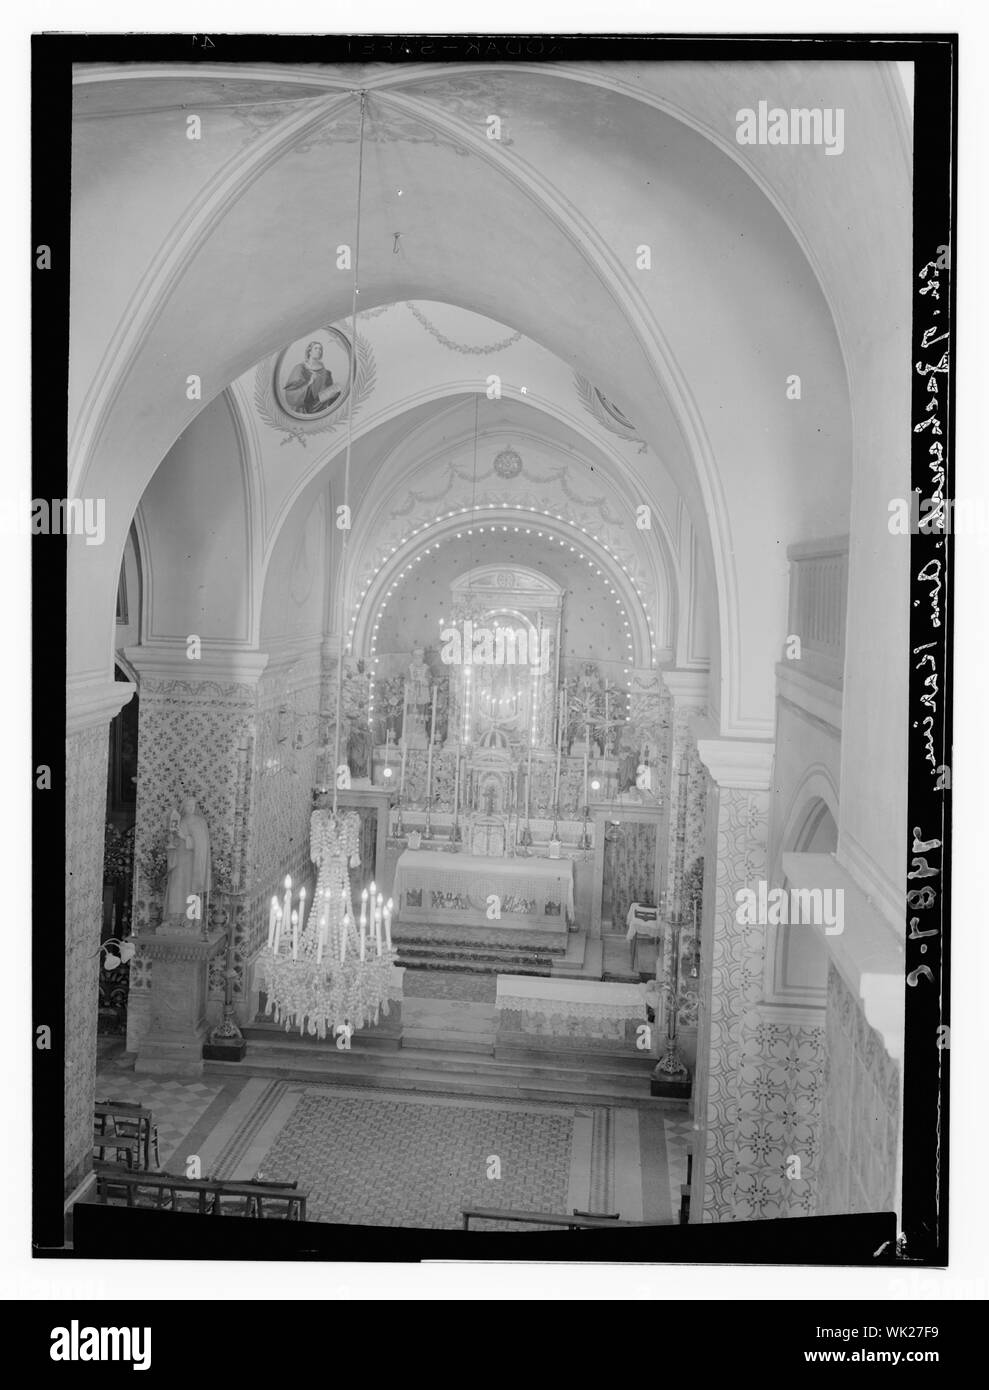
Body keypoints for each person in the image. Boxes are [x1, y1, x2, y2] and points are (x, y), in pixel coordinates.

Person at [163, 797, 212, 924]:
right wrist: (172, 839)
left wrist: (184, 837)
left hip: (193, 863)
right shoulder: (179, 821)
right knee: (176, 887)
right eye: (187, 806)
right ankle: (175, 916)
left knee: (190, 889)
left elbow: (201, 845)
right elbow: (173, 842)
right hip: (179, 861)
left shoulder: (200, 822)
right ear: (183, 807)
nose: (190, 808)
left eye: (192, 806)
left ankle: (189, 917)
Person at [282, 340, 341, 415]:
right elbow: (291, 393)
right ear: (309, 351)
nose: (319, 351)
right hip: (305, 407)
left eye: (320, 349)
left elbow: (328, 391)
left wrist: (333, 392)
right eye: (316, 348)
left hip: (321, 406)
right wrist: (309, 384)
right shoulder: (300, 368)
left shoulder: (326, 372)